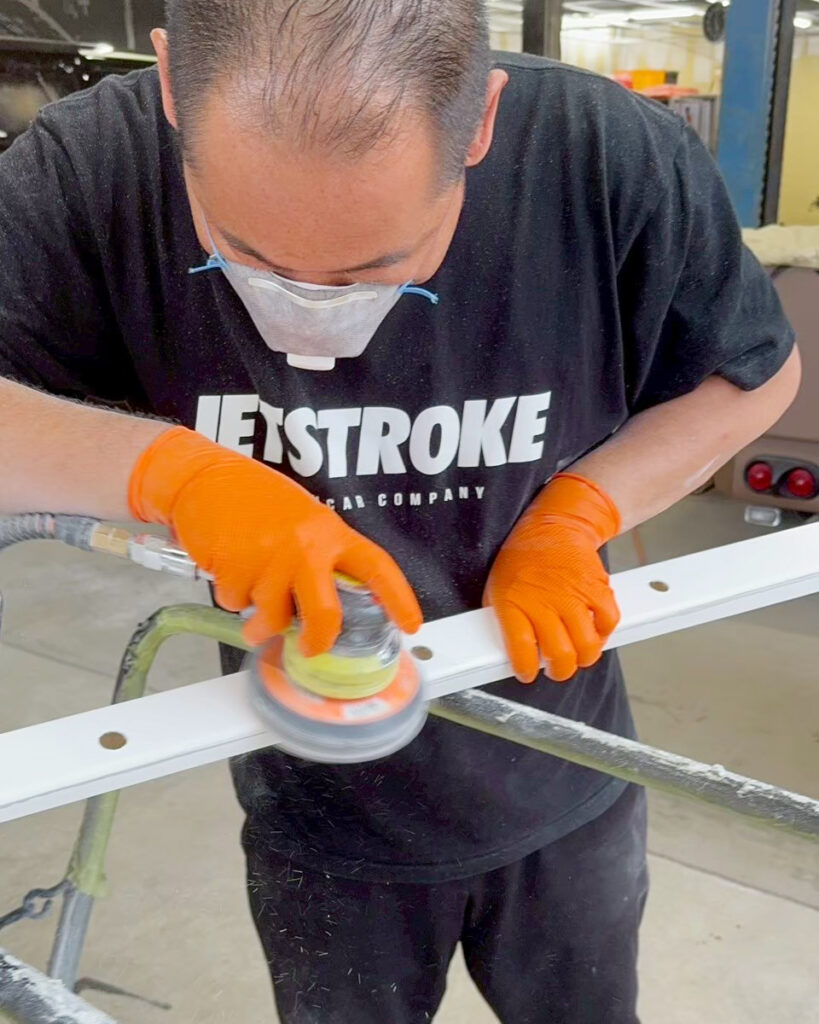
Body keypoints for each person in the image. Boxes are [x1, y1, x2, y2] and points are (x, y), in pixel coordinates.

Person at [0, 2, 799, 1022]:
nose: (308, 313)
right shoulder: (89, 172)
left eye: (379, 265)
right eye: (242, 252)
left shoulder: (604, 159)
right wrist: (172, 475)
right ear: (170, 89)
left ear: (481, 123)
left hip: (561, 763)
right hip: (319, 803)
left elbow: (752, 376)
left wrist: (578, 513)